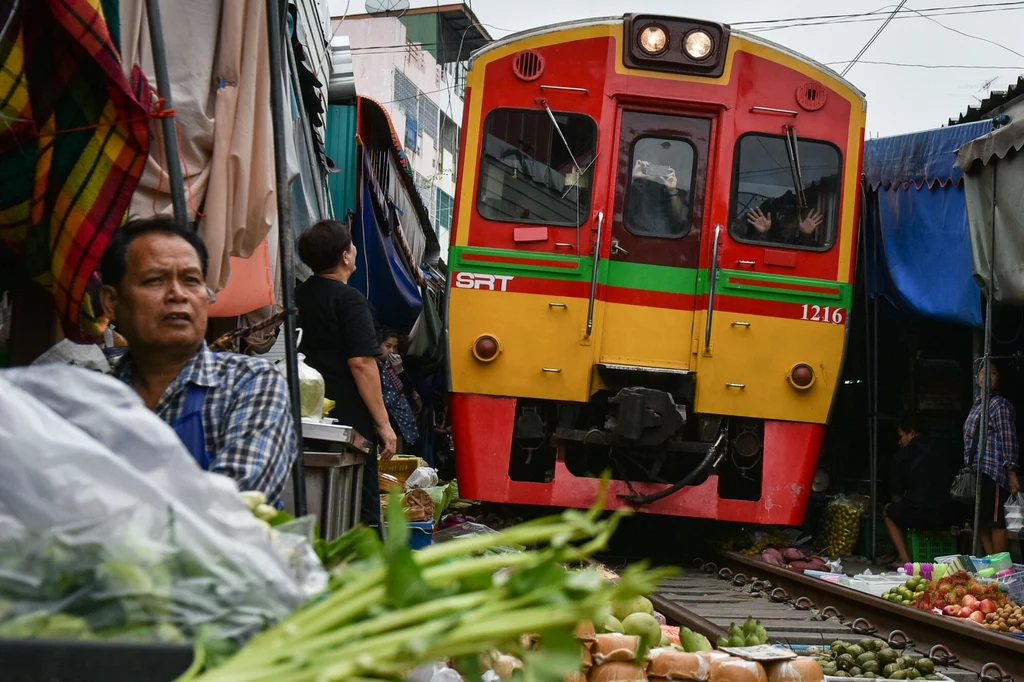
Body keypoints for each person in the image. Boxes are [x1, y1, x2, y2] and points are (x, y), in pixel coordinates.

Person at [99, 216, 296, 505]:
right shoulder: (97, 398)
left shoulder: (250, 384)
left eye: (191, 281)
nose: (178, 294)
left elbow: (236, 502)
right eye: (155, 280)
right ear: (111, 303)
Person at [294, 219, 397, 527]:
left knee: (311, 495)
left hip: (306, 410)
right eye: (351, 245)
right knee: (359, 504)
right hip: (347, 416)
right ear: (345, 256)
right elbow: (361, 363)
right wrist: (384, 424)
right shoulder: (349, 299)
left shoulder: (297, 294)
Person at [883, 413, 963, 566]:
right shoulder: (946, 451)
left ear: (911, 433)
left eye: (901, 436)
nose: (899, 441)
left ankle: (904, 558)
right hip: (949, 514)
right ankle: (962, 558)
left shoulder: (901, 456)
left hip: (918, 515)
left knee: (888, 511)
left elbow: (896, 497)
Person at [963, 362, 1021, 554]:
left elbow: (1008, 438)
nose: (986, 376)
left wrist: (1011, 472)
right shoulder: (978, 404)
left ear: (999, 379)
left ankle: (1000, 568)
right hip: (977, 470)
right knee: (979, 521)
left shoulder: (1000, 405)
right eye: (982, 373)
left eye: (993, 373)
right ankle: (992, 561)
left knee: (996, 522)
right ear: (977, 379)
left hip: (994, 471)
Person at [378, 327, 420, 450]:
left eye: (395, 347)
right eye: (388, 346)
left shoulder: (392, 366)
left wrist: (400, 370)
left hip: (402, 420)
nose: (391, 351)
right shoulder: (375, 366)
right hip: (387, 420)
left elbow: (407, 389)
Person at [628, 157, 688, 236]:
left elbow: (679, 217)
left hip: (667, 238)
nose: (650, 167)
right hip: (636, 236)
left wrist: (672, 190)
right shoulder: (634, 187)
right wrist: (632, 178)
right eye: (647, 164)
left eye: (654, 165)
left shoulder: (669, 190)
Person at [745, 197, 825, 246]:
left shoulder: (801, 242)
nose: (787, 222)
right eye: (783, 217)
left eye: (791, 219)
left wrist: (806, 235)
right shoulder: (770, 239)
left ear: (798, 222)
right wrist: (762, 233)